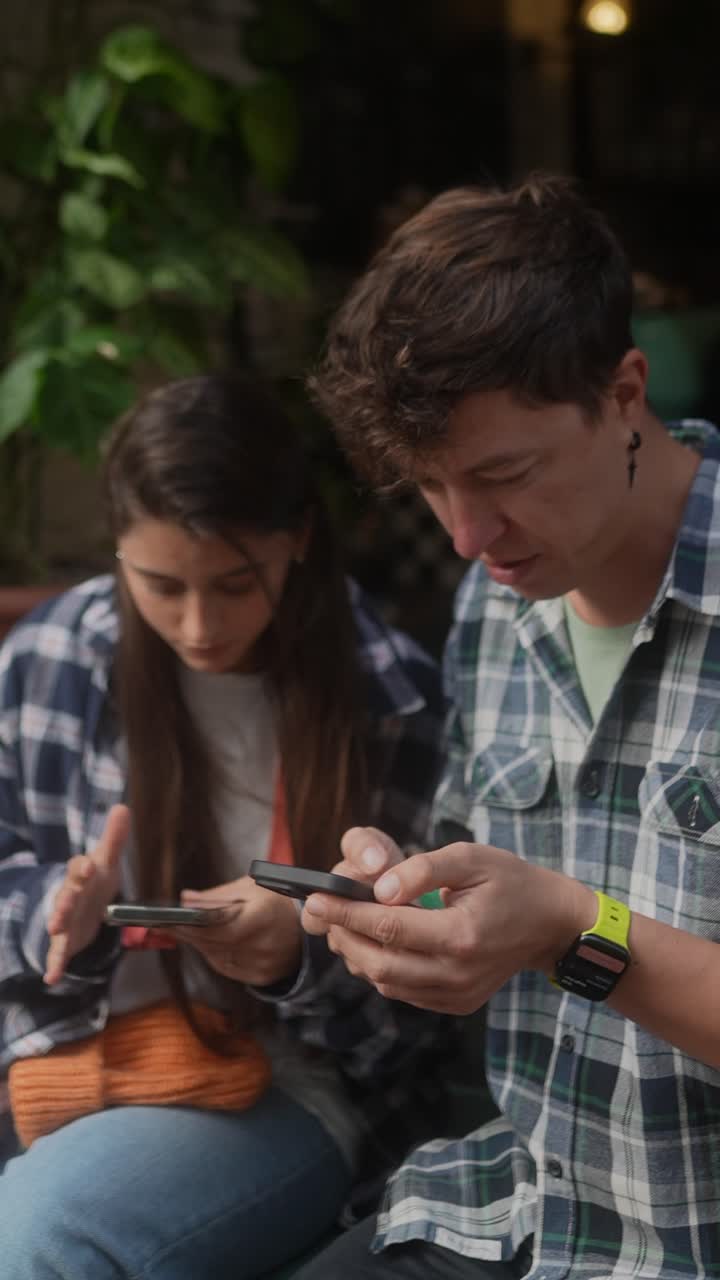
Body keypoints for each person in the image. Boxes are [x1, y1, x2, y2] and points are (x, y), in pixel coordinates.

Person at [293, 174, 720, 1279]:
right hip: (513, 1204)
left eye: (504, 474)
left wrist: (578, 929)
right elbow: (470, 894)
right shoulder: (497, 604)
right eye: (430, 487)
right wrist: (394, 897)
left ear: (626, 392)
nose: (470, 534)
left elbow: (559, 924)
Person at [0, 374, 449, 1279]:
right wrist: (56, 914)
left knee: (41, 1236)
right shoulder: (52, 656)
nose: (198, 626)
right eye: (160, 585)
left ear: (297, 544)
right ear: (116, 550)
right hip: (59, 1046)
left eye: (236, 584)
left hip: (283, 1079)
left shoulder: (387, 698)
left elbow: (416, 1018)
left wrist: (298, 955)